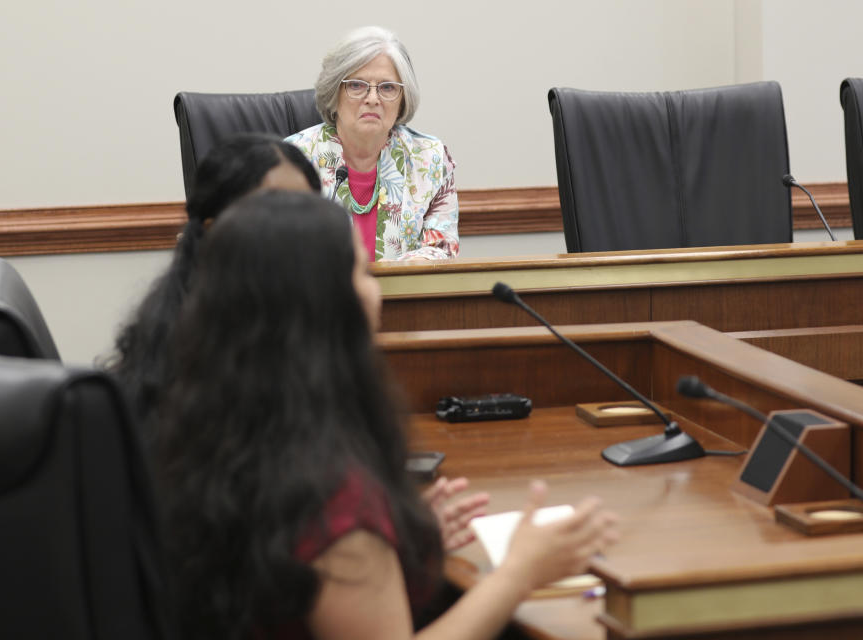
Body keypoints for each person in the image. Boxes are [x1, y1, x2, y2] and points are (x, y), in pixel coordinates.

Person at [154, 190, 618, 640]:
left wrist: (400, 538)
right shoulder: (333, 499)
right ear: (327, 307)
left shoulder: (210, 431)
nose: (377, 290)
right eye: (363, 272)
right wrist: (519, 573)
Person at [106, 133, 321, 432]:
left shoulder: (308, 317)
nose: (297, 232)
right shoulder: (199, 351)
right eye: (273, 214)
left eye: (307, 213)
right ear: (215, 231)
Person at [286, 26, 459, 262]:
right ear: (333, 93)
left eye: (387, 87)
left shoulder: (430, 159)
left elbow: (443, 248)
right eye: (356, 85)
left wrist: (414, 267)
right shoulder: (292, 160)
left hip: (406, 296)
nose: (372, 99)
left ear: (402, 99)